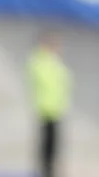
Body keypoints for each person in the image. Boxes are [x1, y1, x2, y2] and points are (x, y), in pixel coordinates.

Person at [27, 32, 71, 177]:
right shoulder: (40, 61)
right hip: (46, 108)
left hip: (56, 108)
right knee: (46, 145)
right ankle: (46, 172)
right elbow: (46, 81)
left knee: (53, 145)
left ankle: (50, 170)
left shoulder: (52, 61)